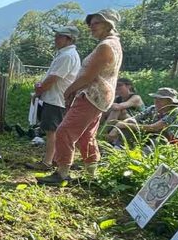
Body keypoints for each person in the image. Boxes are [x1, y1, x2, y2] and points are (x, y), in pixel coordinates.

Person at [38, 10, 123, 186]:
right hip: (100, 96)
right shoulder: (113, 44)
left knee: (64, 131)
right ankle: (91, 175)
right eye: (90, 24)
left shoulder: (106, 46)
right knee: (86, 135)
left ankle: (62, 173)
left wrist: (69, 91)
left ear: (109, 24)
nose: (91, 27)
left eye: (96, 23)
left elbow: (88, 77)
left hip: (93, 95)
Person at [25, 27, 81, 172]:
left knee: (52, 132)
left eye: (59, 36)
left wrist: (39, 90)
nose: (55, 39)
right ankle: (56, 159)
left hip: (57, 99)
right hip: (57, 97)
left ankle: (47, 162)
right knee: (55, 131)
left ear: (69, 39)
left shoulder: (67, 56)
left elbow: (54, 78)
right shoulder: (65, 54)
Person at [106, 87, 178, 148]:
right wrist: (119, 125)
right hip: (152, 135)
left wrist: (123, 125)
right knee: (129, 124)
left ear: (170, 101)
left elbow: (154, 128)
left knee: (128, 126)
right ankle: (117, 149)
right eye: (155, 98)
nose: (156, 101)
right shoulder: (153, 108)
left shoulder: (176, 111)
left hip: (169, 141)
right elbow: (134, 118)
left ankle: (134, 154)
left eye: (160, 99)